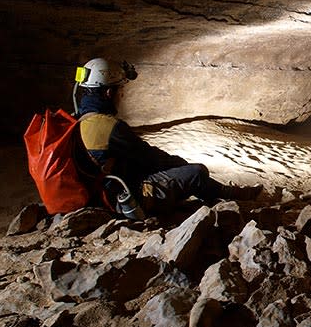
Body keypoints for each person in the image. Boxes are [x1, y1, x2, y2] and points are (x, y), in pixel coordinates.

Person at [73, 58, 261, 217]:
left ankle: (217, 195)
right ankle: (229, 196)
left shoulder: (77, 120)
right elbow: (150, 157)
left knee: (185, 174)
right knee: (196, 173)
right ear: (108, 93)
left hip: (98, 192)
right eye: (121, 90)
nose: (122, 96)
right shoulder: (108, 126)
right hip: (122, 200)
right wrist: (182, 165)